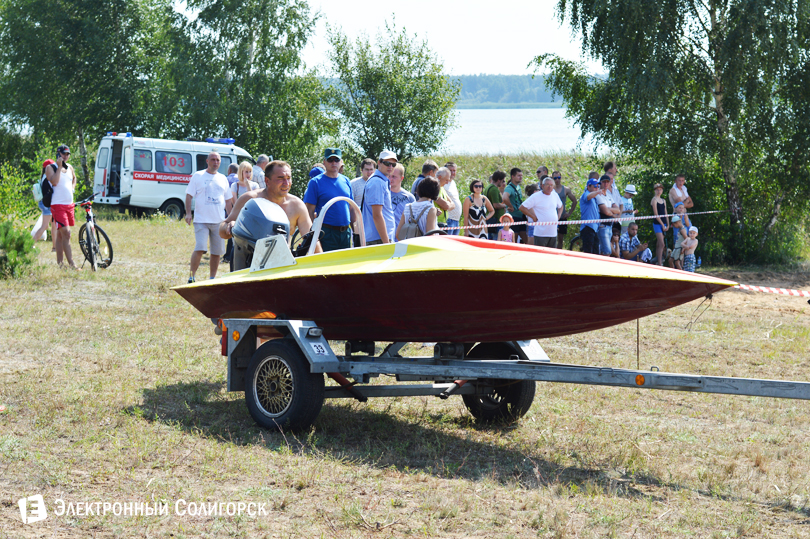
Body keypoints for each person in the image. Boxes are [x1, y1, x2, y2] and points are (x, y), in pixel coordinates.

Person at [220, 160, 320, 269]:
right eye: (280, 178)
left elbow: (313, 241)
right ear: (267, 180)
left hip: (280, 266)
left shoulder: (296, 205)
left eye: (288, 178)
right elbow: (222, 231)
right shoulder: (250, 199)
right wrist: (232, 226)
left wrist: (322, 268)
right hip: (245, 265)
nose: (286, 183)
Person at [184, 152, 234, 282]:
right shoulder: (198, 176)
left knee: (216, 252)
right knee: (200, 248)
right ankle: (191, 276)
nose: (215, 162)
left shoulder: (223, 178)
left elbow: (228, 201)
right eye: (213, 159)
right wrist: (188, 213)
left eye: (218, 160)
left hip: (219, 221)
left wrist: (232, 219)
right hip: (201, 220)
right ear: (207, 161)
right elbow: (189, 195)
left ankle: (212, 278)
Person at [304, 148, 353, 251]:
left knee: (345, 264)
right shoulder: (315, 182)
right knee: (327, 265)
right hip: (326, 233)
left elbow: (351, 208)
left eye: (337, 160)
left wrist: (356, 231)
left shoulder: (346, 180)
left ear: (341, 162)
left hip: (345, 232)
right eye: (330, 160)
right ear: (324, 162)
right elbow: (309, 211)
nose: (334, 163)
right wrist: (314, 235)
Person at [46, 145, 78, 269]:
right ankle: (72, 264)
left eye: (68, 154)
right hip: (57, 205)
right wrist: (59, 167)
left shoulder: (70, 167)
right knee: (67, 233)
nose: (66, 156)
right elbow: (54, 181)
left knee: (60, 235)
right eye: (63, 154)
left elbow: (74, 178)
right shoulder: (51, 167)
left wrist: (72, 188)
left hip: (69, 205)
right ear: (58, 154)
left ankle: (60, 264)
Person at [361, 150, 397, 245]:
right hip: (378, 240)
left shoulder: (380, 180)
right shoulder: (377, 182)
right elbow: (377, 215)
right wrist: (386, 243)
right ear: (379, 163)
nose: (390, 167)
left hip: (379, 239)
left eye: (393, 165)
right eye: (387, 163)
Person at [520, 177, 563, 248]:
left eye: (551, 185)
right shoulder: (536, 196)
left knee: (552, 255)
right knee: (540, 256)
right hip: (540, 233)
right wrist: (532, 216)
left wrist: (558, 217)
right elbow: (522, 207)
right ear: (542, 186)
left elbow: (560, 207)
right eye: (547, 185)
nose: (550, 187)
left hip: (553, 233)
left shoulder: (555, 195)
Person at [350, 158, 376, 245]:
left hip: (374, 221)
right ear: (361, 170)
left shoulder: (378, 183)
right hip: (359, 222)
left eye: (371, 169)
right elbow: (350, 205)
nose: (369, 172)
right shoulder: (353, 184)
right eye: (367, 170)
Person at [33, 159, 57, 251]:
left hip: (46, 203)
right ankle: (31, 244)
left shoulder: (44, 176)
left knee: (54, 226)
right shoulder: (48, 177)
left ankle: (55, 247)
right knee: (45, 226)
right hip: (48, 204)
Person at [552, 171, 578, 249]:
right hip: (552, 217)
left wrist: (569, 213)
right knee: (552, 238)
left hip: (562, 217)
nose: (557, 180)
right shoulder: (550, 189)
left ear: (561, 178)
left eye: (559, 178)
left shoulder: (565, 189)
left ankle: (558, 253)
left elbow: (574, 201)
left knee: (560, 238)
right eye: (555, 178)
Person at [389, 163, 415, 237]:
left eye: (394, 177)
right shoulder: (382, 194)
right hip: (386, 238)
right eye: (389, 176)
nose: (390, 179)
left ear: (402, 178)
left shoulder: (409, 197)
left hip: (403, 238)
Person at [596, 175, 619, 256]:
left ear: (610, 183)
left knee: (603, 251)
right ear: (600, 183)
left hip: (609, 226)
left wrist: (608, 209)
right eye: (604, 182)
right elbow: (605, 211)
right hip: (602, 226)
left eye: (607, 182)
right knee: (607, 251)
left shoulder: (609, 195)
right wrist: (613, 213)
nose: (606, 184)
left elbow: (618, 210)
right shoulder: (598, 195)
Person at [502, 168, 527, 243]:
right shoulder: (509, 187)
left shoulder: (518, 186)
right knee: (514, 239)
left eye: (521, 175)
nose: (521, 177)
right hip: (513, 217)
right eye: (518, 175)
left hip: (520, 216)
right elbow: (504, 198)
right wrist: (510, 206)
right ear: (512, 176)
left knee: (525, 239)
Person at [578, 178, 602, 255]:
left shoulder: (594, 198)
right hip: (588, 227)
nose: (597, 188)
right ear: (589, 186)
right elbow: (588, 196)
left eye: (598, 186)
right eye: (595, 186)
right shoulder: (586, 194)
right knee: (588, 252)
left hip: (594, 228)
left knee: (595, 252)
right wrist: (597, 192)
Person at [484, 171, 507, 240]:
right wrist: (505, 205)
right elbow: (496, 205)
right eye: (502, 180)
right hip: (496, 220)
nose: (503, 182)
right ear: (498, 180)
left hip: (491, 219)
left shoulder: (488, 187)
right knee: (496, 241)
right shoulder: (494, 189)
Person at [651, 183, 670, 265]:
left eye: (660, 189)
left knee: (659, 244)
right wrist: (662, 224)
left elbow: (665, 213)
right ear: (655, 190)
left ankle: (658, 260)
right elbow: (656, 214)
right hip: (657, 224)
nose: (659, 191)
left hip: (664, 223)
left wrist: (668, 224)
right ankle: (659, 262)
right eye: (657, 189)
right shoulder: (654, 200)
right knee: (662, 243)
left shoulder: (663, 201)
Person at [443, 161, 463, 235]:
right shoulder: (443, 183)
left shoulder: (453, 183)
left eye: (454, 170)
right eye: (450, 170)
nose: (452, 173)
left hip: (456, 220)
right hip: (448, 220)